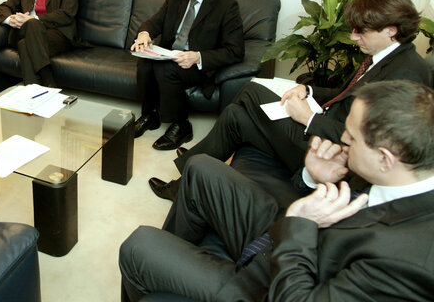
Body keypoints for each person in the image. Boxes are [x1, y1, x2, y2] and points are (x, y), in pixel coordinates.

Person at [120, 80, 434, 301]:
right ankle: (177, 266)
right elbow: (333, 203)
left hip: (270, 285)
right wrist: (314, 177)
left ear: (385, 158)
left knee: (139, 245)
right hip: (279, 237)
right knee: (201, 167)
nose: (343, 141)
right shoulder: (395, 175)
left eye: (351, 137)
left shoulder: (407, 260)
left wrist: (300, 223)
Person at [149, 0, 432, 200]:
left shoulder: (405, 74)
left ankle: (190, 166)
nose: (354, 36)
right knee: (235, 114)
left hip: (329, 152)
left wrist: (308, 117)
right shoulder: (386, 56)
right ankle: (183, 181)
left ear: (391, 31)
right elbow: (348, 92)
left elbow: (367, 143)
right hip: (324, 127)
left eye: (361, 31)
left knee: (251, 89)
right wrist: (308, 88)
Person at [131, 0, 244, 151]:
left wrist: (198, 56)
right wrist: (144, 34)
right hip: (171, 55)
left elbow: (235, 50)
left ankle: (181, 125)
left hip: (198, 64)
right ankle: (150, 115)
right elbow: (153, 22)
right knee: (144, 64)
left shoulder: (226, 5)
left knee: (166, 70)